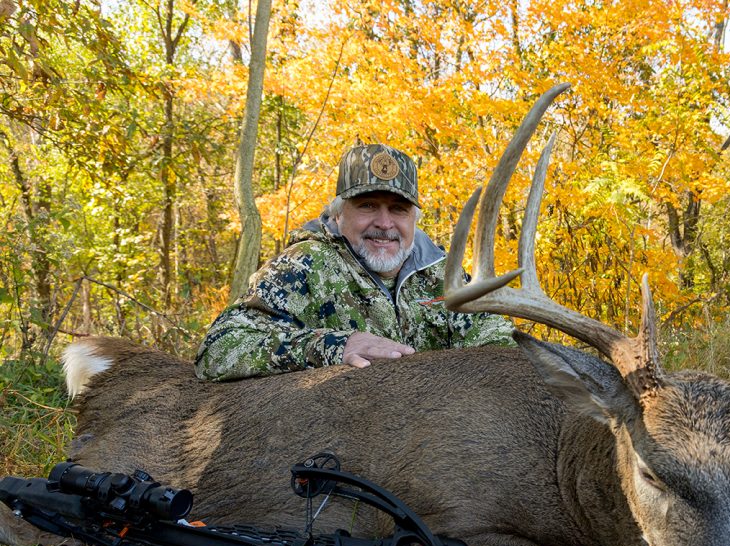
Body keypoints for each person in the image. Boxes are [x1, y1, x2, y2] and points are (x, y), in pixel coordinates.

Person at [194, 144, 515, 381]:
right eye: (367, 205)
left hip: (431, 437)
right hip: (342, 439)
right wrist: (335, 345)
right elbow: (218, 350)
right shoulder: (304, 266)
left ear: (414, 218)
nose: (385, 223)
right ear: (338, 213)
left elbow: (495, 336)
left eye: (399, 209)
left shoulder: (440, 272)